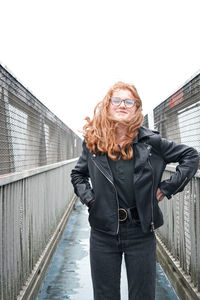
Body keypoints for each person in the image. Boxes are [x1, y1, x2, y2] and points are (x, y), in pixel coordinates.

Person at [71, 81, 199, 300]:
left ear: (136, 108)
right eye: (117, 100)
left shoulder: (152, 141)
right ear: (108, 106)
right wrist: (91, 200)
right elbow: (78, 175)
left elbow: (191, 156)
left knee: (143, 296)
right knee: (105, 296)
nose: (123, 104)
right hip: (103, 232)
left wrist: (166, 189)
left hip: (141, 231)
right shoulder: (93, 142)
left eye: (129, 101)